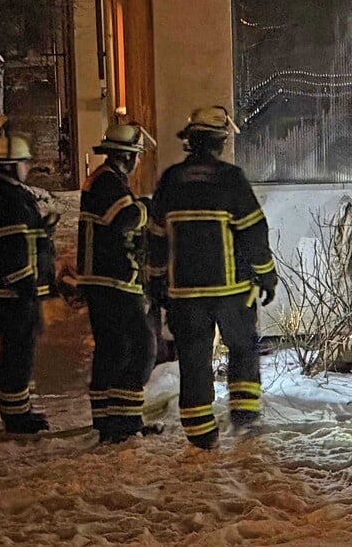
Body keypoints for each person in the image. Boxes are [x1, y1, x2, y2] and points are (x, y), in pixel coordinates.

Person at [146, 106, 277, 449]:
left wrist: (157, 281)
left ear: (190, 141)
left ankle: (201, 435)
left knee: (193, 360)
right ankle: (245, 420)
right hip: (231, 291)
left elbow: (156, 236)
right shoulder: (231, 179)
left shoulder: (171, 180)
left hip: (185, 295)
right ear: (220, 141)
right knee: (243, 349)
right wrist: (266, 275)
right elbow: (253, 231)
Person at [77, 122, 158, 442]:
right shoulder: (107, 183)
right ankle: (124, 423)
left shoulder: (102, 180)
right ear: (127, 157)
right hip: (112, 281)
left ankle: (113, 422)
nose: (138, 162)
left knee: (113, 350)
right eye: (137, 156)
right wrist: (147, 206)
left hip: (106, 281)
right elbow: (124, 220)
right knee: (141, 347)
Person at [0, 126, 56, 434]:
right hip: (16, 290)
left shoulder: (9, 195)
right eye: (24, 163)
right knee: (16, 353)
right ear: (11, 166)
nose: (28, 168)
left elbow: (26, 236)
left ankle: (19, 409)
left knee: (21, 351)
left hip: (18, 289)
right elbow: (12, 247)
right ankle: (15, 416)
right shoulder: (6, 199)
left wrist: (44, 225)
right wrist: (25, 285)